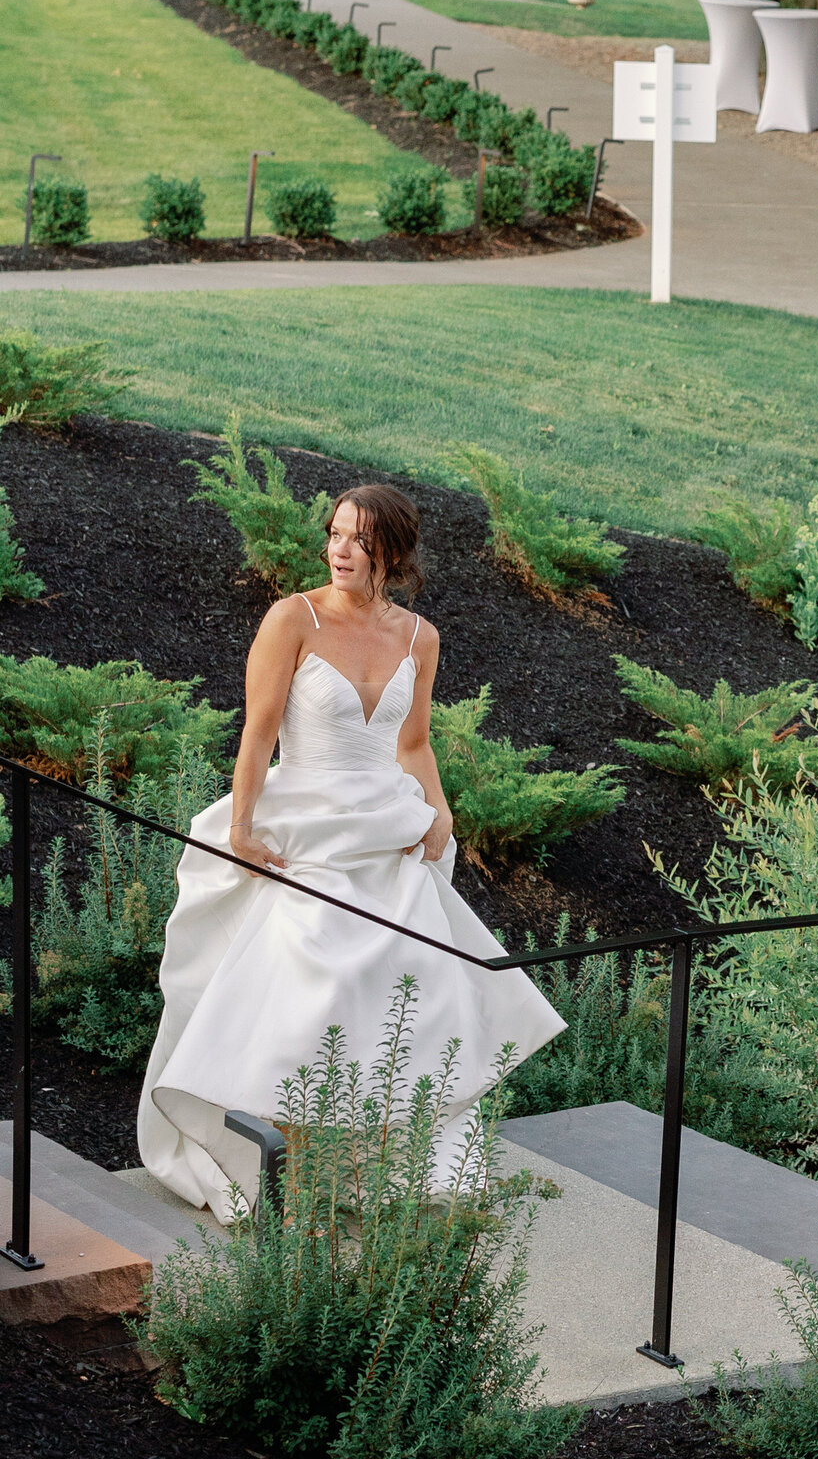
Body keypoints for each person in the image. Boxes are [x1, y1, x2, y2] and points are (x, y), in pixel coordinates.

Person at [138, 482, 563, 1218]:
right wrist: (241, 828)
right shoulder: (291, 619)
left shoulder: (419, 636)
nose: (340, 550)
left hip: (389, 832)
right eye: (334, 535)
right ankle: (294, 1169)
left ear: (392, 553)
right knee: (314, 992)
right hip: (309, 828)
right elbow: (258, 733)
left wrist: (441, 812)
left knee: (403, 999)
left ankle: (371, 1163)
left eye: (359, 541)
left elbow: (414, 742)